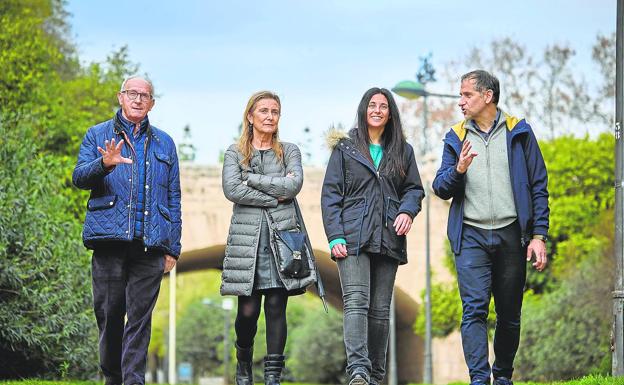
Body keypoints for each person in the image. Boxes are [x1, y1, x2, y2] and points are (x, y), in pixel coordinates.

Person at [432, 70, 549, 385]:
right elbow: (440, 187)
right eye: (460, 95)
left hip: (512, 234)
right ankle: (479, 379)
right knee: (474, 310)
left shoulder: (519, 132)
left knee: (510, 314)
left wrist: (538, 236)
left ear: (488, 96)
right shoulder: (455, 137)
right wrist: (458, 170)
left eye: (467, 95)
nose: (461, 102)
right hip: (471, 235)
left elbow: (538, 185)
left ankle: (503, 377)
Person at [72, 76, 181, 385]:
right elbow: (79, 178)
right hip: (109, 241)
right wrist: (104, 164)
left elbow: (174, 197)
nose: (138, 99)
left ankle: (133, 380)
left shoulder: (165, 143)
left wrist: (173, 247)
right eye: (132, 93)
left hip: (151, 245)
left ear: (152, 103)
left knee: (139, 319)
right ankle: (112, 377)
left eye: (144, 95)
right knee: (108, 315)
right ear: (120, 97)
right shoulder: (97, 135)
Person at [321, 87, 425, 385]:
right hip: (352, 236)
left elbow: (414, 189)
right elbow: (330, 195)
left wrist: (407, 211)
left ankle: (375, 375)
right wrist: (335, 236)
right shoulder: (346, 148)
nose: (377, 110)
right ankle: (358, 371)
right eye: (372, 105)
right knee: (356, 301)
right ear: (364, 109)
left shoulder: (403, 150)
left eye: (383, 106)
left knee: (380, 309)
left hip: (389, 235)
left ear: (390, 113)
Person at [221, 90, 319, 385]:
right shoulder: (234, 152)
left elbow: (293, 187)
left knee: (277, 306)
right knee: (248, 312)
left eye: (274, 111)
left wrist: (251, 179)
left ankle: (274, 377)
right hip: (247, 241)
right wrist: (272, 196)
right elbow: (231, 190)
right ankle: (243, 364)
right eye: (263, 111)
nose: (269, 116)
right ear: (250, 116)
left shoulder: (289, 151)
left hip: (282, 240)